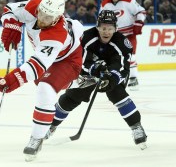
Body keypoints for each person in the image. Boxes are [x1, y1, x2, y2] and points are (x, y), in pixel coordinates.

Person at [0, 0, 84, 161]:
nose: (42, 18)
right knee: (42, 82)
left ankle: (37, 138)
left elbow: (36, 66)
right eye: (41, 12)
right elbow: (9, 9)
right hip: (49, 60)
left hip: (69, 60)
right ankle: (73, 82)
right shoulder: (34, 6)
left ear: (57, 17)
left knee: (45, 89)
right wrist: (10, 25)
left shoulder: (56, 34)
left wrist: (12, 80)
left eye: (48, 16)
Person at [45, 10, 148, 150]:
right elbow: (79, 60)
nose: (106, 32)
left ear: (116, 28)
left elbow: (122, 67)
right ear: (97, 27)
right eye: (103, 28)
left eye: (110, 28)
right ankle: (50, 126)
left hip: (113, 73)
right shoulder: (86, 37)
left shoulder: (122, 43)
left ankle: (136, 127)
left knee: (117, 94)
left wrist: (111, 77)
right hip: (89, 71)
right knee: (74, 95)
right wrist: (94, 68)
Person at [100, 0, 146, 90]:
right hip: (113, 36)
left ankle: (133, 78)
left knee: (131, 56)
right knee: (111, 57)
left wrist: (139, 22)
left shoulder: (128, 0)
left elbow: (141, 11)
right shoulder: (105, 4)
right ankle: (113, 77)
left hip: (129, 34)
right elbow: (101, 18)